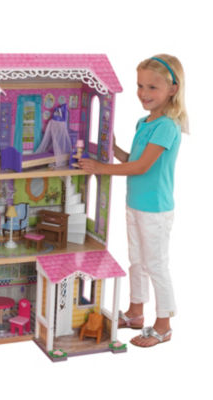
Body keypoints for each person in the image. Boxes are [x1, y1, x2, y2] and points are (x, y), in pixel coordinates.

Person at [80, 54, 188, 347]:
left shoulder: (167, 126)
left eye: (152, 87)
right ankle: (135, 312)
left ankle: (164, 325)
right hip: (136, 204)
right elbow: (133, 159)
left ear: (172, 89)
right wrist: (114, 149)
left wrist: (100, 168)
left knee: (156, 264)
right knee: (137, 261)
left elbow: (141, 168)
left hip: (155, 209)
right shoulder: (145, 122)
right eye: (140, 85)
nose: (143, 93)